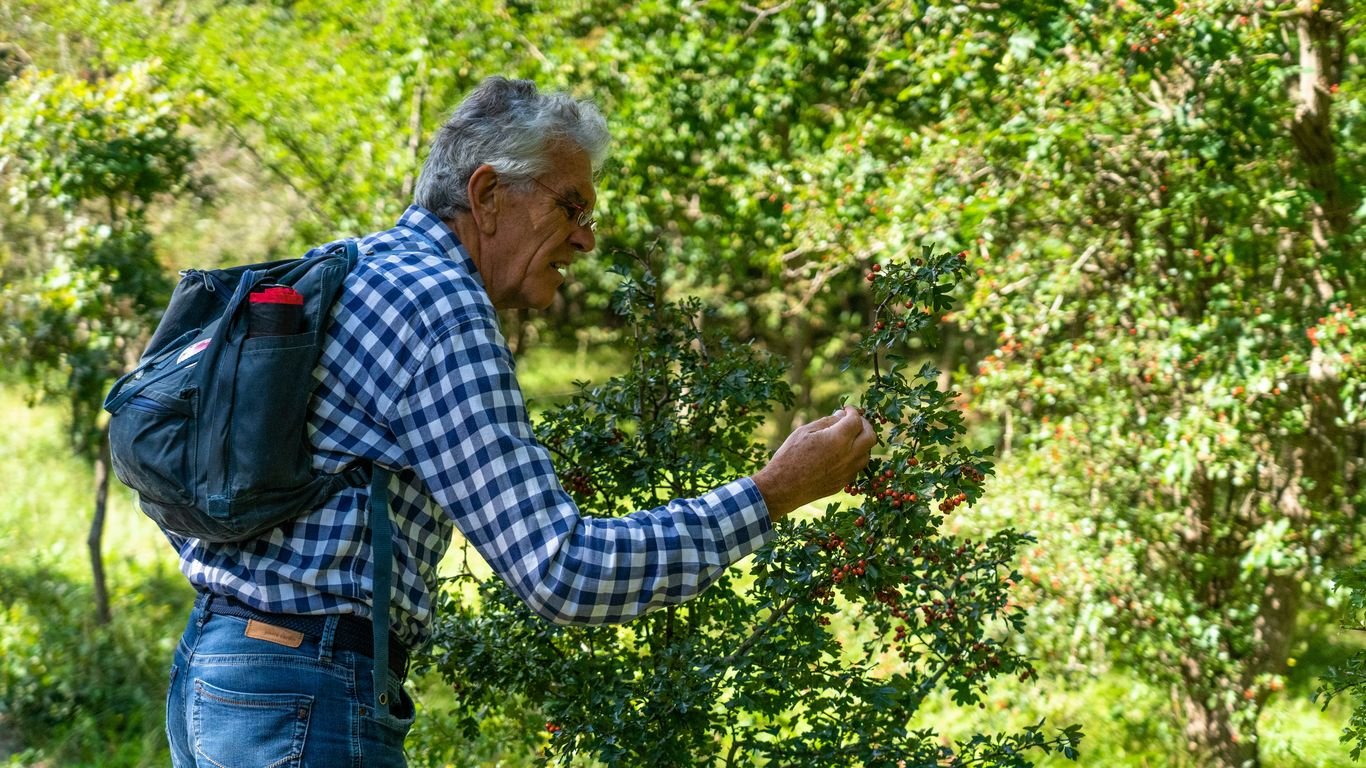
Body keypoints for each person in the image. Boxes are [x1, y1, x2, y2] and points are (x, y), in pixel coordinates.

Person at [164, 76, 876, 767]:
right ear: (487, 195)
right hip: (303, 698)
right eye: (573, 208)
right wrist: (770, 493)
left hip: (216, 672)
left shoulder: (352, 265)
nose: (587, 241)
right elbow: (562, 572)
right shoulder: (440, 307)